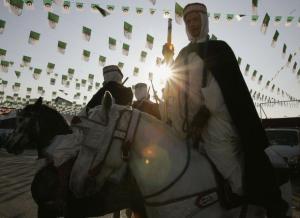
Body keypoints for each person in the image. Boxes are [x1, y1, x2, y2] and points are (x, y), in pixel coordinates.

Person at [162, 2, 288, 217]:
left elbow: (221, 91)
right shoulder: (182, 54)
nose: (192, 24)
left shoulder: (219, 49)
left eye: (196, 20)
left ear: (204, 21)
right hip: (187, 124)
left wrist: (203, 116)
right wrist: (168, 60)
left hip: (216, 120)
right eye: (188, 21)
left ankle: (244, 200)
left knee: (224, 157)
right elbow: (173, 87)